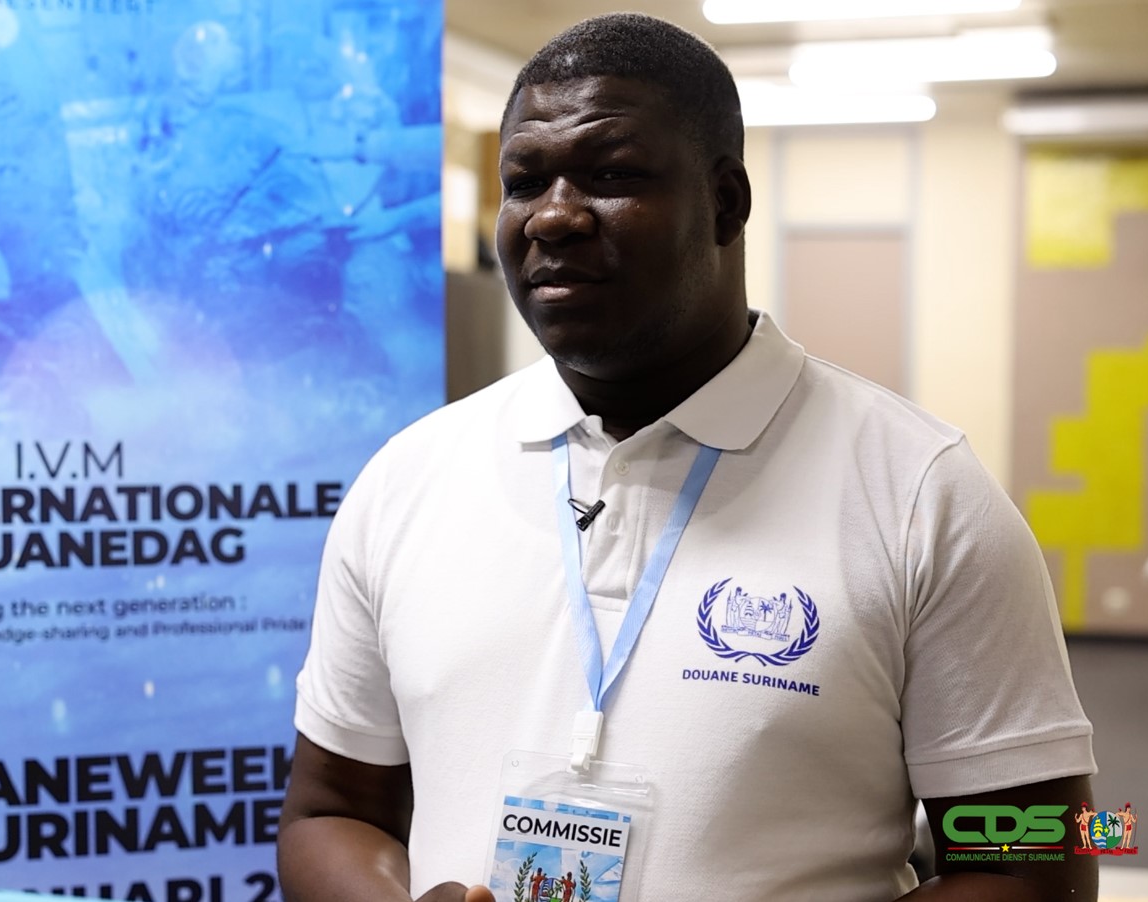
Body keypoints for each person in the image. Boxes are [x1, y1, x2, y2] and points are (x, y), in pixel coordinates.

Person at [278, 13, 1097, 902]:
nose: (553, 215)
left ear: (726, 203)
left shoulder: (924, 495)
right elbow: (330, 812)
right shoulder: (407, 480)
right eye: (524, 181)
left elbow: (1042, 858)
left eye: (612, 175)